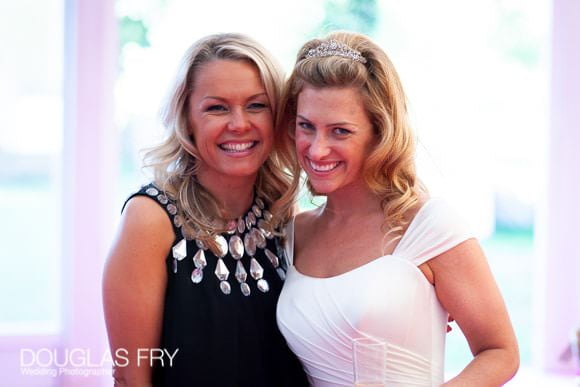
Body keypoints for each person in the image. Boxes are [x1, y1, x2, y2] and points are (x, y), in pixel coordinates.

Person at [276, 31, 519, 386]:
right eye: (306, 127)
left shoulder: (427, 225)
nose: (316, 149)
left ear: (379, 133)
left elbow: (500, 352)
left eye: (340, 131)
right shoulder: (294, 233)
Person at [103, 33, 308, 387]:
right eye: (217, 107)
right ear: (187, 117)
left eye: (257, 105)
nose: (239, 124)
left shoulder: (284, 212)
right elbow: (130, 377)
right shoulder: (150, 219)